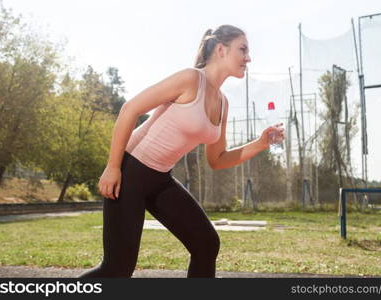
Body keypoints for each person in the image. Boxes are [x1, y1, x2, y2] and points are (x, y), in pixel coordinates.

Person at [79, 24, 284, 278]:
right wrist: (113, 166)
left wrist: (261, 143)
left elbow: (217, 159)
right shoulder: (190, 79)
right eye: (243, 49)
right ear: (221, 49)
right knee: (117, 269)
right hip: (130, 171)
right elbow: (129, 109)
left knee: (206, 244)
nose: (248, 57)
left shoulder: (222, 102)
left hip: (160, 179)